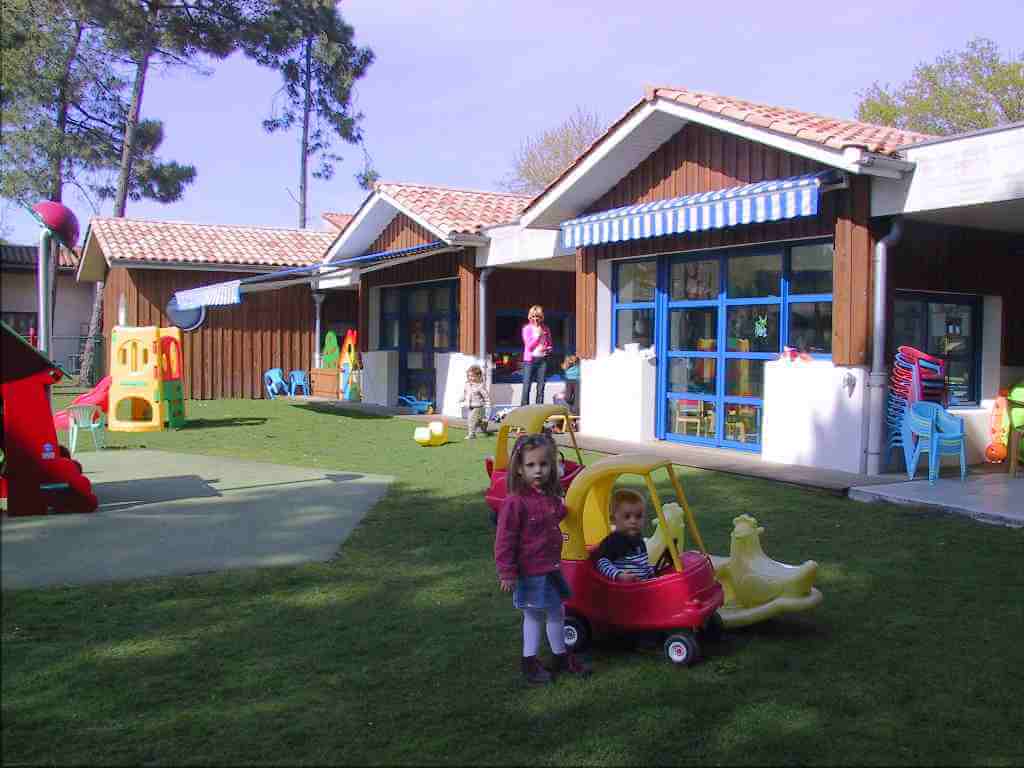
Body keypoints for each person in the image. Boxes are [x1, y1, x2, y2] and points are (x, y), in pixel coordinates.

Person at [494, 433, 592, 684]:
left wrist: (563, 508)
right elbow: (505, 540)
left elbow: (553, 516)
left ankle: (560, 656)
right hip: (530, 572)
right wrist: (507, 571)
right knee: (534, 615)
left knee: (557, 611)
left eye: (543, 464)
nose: (538, 470)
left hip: (551, 568)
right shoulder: (515, 503)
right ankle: (529, 662)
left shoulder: (547, 497)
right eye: (531, 465)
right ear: (519, 468)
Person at [594, 489, 655, 582]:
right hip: (624, 590)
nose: (633, 521)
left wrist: (651, 572)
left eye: (638, 516)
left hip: (641, 586)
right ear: (613, 519)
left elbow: (643, 563)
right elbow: (602, 562)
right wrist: (619, 575)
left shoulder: (639, 539)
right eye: (627, 516)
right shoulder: (613, 541)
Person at [520, 305, 553, 406]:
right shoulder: (527, 329)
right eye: (533, 316)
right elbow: (529, 346)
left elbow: (550, 343)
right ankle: (524, 410)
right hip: (530, 361)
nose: (535, 319)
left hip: (542, 360)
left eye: (538, 316)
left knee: (541, 387)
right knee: (527, 386)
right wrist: (538, 336)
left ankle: (539, 410)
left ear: (541, 317)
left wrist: (548, 349)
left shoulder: (546, 328)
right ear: (530, 317)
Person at [460, 364, 491, 440]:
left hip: (477, 406)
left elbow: (486, 396)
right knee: (476, 420)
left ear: (478, 376)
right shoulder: (467, 384)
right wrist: (462, 398)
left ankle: (472, 434)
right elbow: (465, 393)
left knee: (471, 420)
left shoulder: (480, 386)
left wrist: (488, 404)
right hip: (469, 406)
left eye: (473, 376)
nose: (471, 378)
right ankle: (483, 424)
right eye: (469, 376)